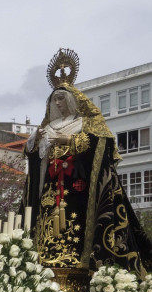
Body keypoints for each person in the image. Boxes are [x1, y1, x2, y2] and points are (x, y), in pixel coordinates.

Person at [22, 49, 152, 272]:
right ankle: (44, 257)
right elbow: (33, 155)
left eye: (61, 98)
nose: (58, 102)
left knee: (76, 225)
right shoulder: (48, 126)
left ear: (72, 100)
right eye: (55, 99)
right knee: (48, 223)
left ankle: (78, 260)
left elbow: (102, 143)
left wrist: (68, 140)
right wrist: (36, 142)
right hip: (51, 187)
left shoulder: (84, 123)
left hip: (77, 186)